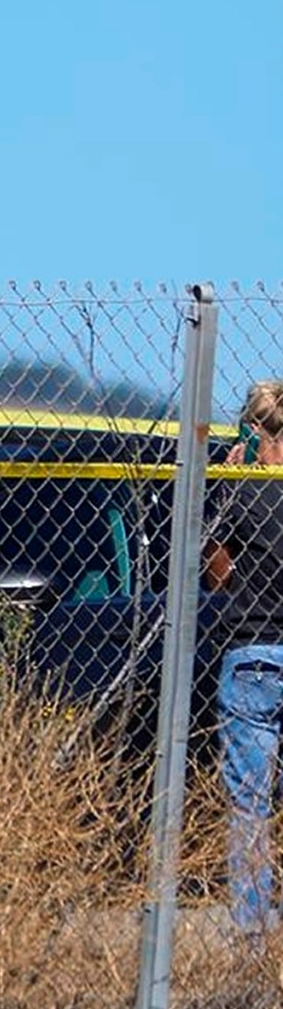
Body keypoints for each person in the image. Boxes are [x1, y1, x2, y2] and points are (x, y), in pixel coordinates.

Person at [207, 379, 283, 937]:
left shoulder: (245, 493)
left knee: (249, 806)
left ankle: (254, 933)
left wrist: (230, 482)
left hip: (254, 652)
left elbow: (216, 571)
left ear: (255, 432)